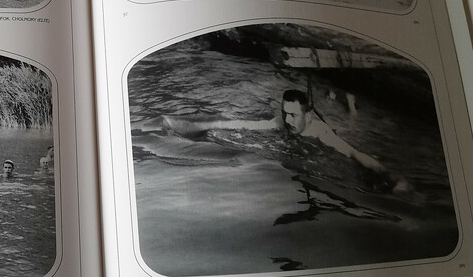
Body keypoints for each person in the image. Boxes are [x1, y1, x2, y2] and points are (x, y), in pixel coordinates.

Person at [163, 89, 410, 194]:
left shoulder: (320, 132)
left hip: (334, 129)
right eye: (285, 113)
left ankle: (351, 105)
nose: (288, 120)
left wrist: (387, 175)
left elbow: (354, 153)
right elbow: (237, 124)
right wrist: (198, 127)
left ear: (307, 115)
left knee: (350, 124)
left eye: (294, 115)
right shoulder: (280, 122)